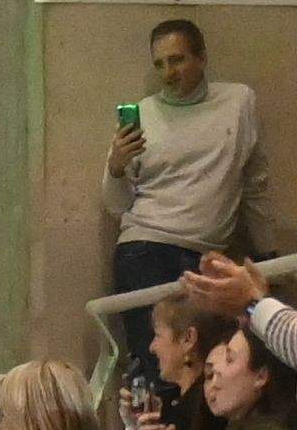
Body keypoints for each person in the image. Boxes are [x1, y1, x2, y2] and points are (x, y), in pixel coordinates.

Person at [109, 18, 271, 298]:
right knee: (159, 342)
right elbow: (117, 206)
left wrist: (267, 253)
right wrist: (115, 169)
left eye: (177, 60)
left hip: (208, 256)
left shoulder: (237, 102)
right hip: (147, 248)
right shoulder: (144, 114)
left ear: (202, 58)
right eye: (159, 64)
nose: (168, 73)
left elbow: (255, 186)